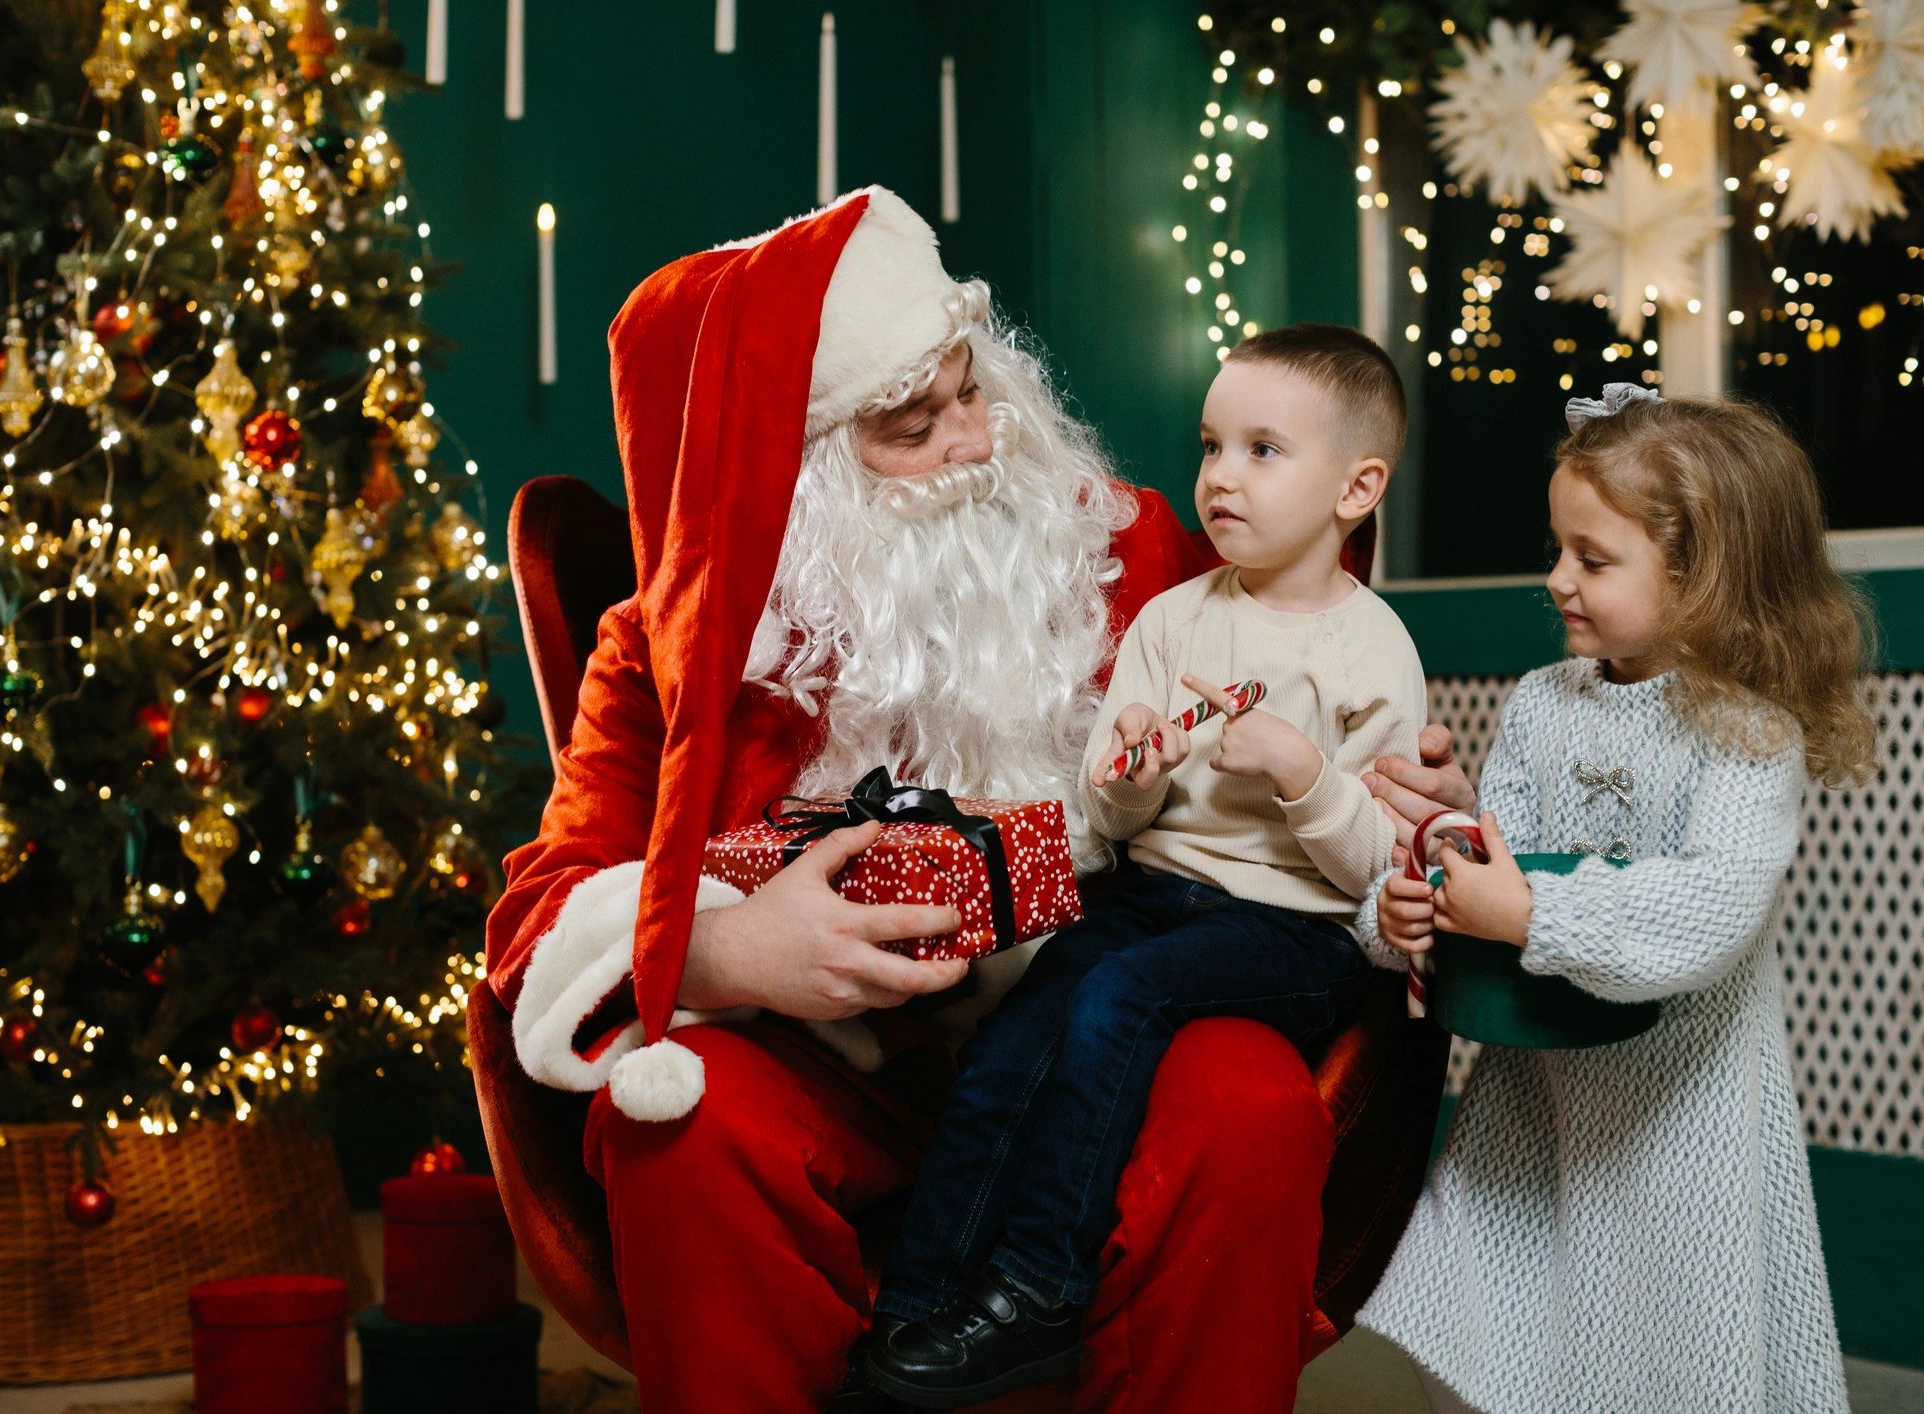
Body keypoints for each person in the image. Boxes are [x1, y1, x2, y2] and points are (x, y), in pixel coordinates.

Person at [482, 188, 1466, 1412]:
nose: (973, 441)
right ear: (790, 474)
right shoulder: (664, 649)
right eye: (911, 423)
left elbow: (1319, 661)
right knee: (681, 1129)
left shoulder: (1126, 549)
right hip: (833, 1071)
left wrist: (1405, 783)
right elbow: (545, 904)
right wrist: (725, 953)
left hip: (1100, 1029)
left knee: (1249, 1105)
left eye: (971, 390)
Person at [860, 325, 1427, 1408]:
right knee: (1009, 1040)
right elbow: (1113, 818)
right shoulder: (1173, 620)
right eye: (1212, 446)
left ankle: (1037, 1287)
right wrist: (1131, 770)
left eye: (1263, 450)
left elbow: (1372, 867)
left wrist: (1307, 777)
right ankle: (909, 1322)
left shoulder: (1372, 649)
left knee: (1120, 995)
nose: (1220, 476)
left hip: (1288, 927)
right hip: (1150, 890)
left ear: (1357, 488)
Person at [1364, 384, 1874, 1414]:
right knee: (1470, 1303)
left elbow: (1714, 904)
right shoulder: (1544, 702)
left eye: (1593, 560)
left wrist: (1539, 918)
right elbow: (1486, 851)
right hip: (1532, 1096)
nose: (1558, 579)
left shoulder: (1745, 731)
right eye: (1557, 549)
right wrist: (1414, 901)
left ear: (1703, 577)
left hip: (1676, 1113)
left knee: (1662, 1348)